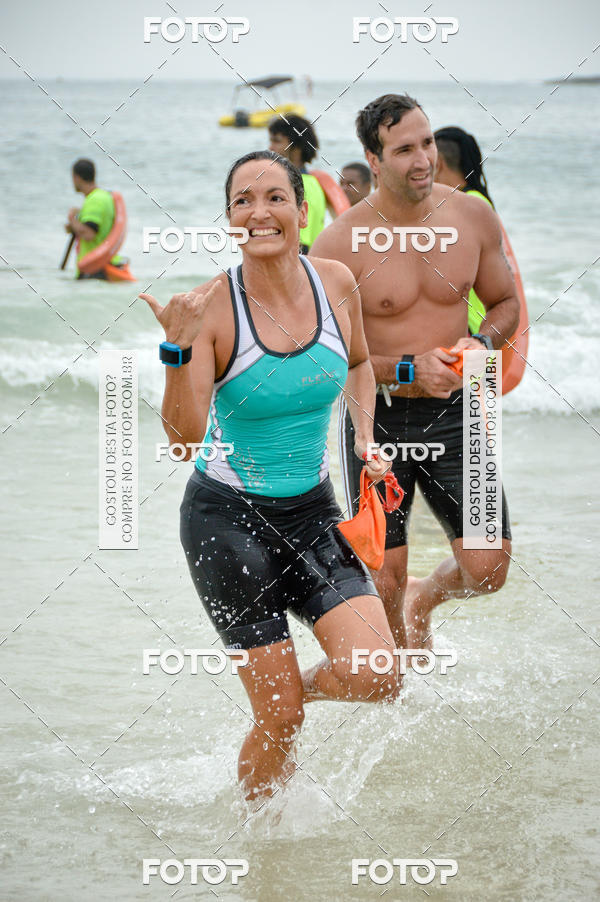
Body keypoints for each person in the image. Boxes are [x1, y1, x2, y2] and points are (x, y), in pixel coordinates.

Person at [141, 150, 399, 802]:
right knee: (281, 721)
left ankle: (287, 694)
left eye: (275, 197)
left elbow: (359, 362)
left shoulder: (336, 282)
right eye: (243, 201)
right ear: (230, 218)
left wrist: (365, 436)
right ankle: (259, 839)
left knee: (377, 674)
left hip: (312, 513)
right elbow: (182, 441)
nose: (259, 212)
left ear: (301, 211)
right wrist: (176, 351)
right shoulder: (212, 309)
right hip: (227, 523)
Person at [310, 94, 519, 651]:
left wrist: (478, 344)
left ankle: (424, 598)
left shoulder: (472, 217)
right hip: (377, 419)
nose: (424, 159)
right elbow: (327, 354)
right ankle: (398, 681)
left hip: (458, 413)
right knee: (383, 579)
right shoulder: (340, 244)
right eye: (405, 149)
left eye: (427, 143)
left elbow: (505, 303)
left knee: (488, 568)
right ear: (373, 160)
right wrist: (408, 368)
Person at [434, 126, 495, 333]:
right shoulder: (478, 200)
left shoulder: (465, 205)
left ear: (438, 164)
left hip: (469, 328)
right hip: (480, 325)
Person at [267, 115, 328, 252]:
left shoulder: (301, 186)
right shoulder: (311, 183)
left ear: (296, 148)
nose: (270, 147)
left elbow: (300, 245)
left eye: (277, 141)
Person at [65, 159, 123, 279]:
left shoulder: (94, 200)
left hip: (96, 269)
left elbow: (89, 234)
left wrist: (72, 219)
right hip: (106, 264)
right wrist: (73, 226)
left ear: (76, 177)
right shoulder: (105, 196)